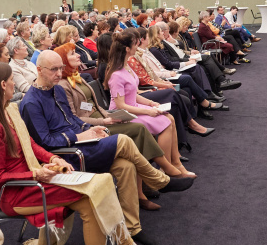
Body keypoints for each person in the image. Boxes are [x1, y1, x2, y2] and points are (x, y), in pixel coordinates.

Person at [0, 61, 169, 245]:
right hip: (17, 193)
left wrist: (52, 158)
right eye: (12, 79)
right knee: (96, 188)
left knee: (95, 193)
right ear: (3, 85)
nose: (15, 82)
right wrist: (36, 174)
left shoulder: (8, 111)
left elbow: (32, 145)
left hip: (34, 178)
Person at [54, 43, 181, 211]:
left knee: (138, 129)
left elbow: (94, 106)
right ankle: (165, 171)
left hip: (104, 118)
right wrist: (103, 121)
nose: (78, 56)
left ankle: (146, 184)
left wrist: (109, 115)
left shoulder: (78, 77)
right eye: (72, 54)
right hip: (92, 127)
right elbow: (74, 118)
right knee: (138, 130)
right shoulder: (63, 85)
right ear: (64, 61)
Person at [104, 32, 194, 178]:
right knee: (165, 122)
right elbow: (120, 106)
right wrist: (148, 112)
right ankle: (168, 166)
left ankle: (175, 163)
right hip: (123, 115)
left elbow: (134, 95)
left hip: (133, 108)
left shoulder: (126, 67)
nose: (137, 46)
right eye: (135, 43)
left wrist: (151, 103)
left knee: (169, 118)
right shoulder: (116, 74)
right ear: (127, 49)